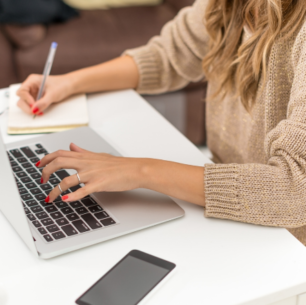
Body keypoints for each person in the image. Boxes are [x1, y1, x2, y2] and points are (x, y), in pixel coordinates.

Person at [16, 0, 306, 244]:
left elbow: (295, 190)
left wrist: (139, 170)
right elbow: (169, 54)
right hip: (231, 209)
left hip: (287, 241)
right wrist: (68, 83)